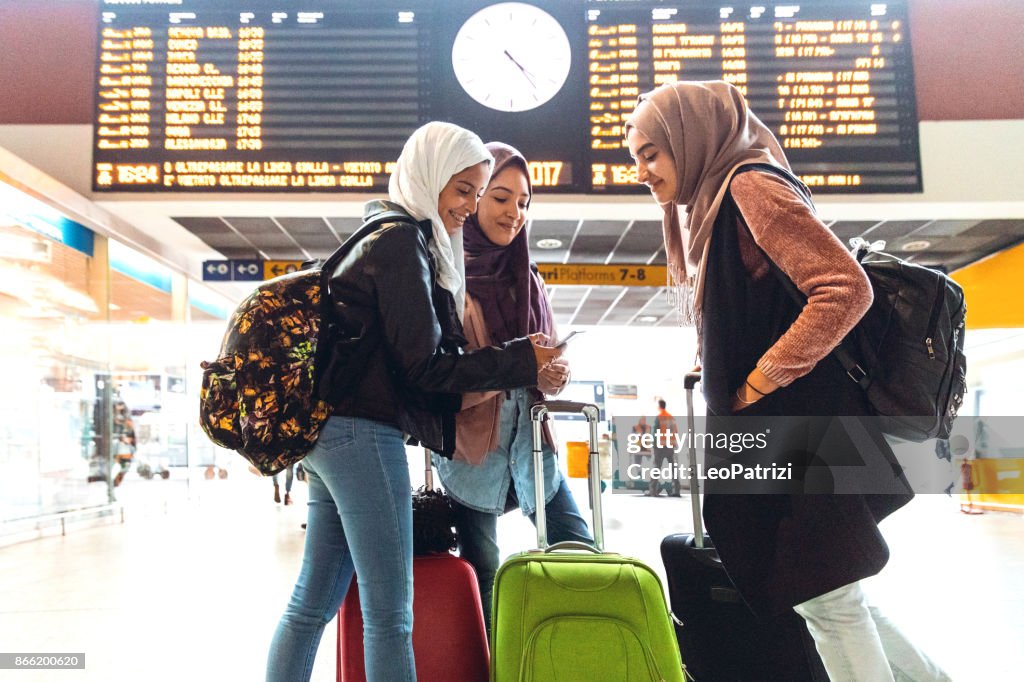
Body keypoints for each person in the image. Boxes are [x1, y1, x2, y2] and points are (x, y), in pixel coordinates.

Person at [625, 81, 950, 681]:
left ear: (691, 137)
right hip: (794, 432)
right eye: (635, 157)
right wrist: (728, 365)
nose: (641, 170)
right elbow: (763, 306)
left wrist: (759, 379)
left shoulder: (749, 186)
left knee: (829, 600)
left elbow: (845, 288)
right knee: (831, 593)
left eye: (651, 152)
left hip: (803, 432)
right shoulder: (719, 200)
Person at [266, 123, 563, 682]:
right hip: (361, 435)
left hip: (329, 434)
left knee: (313, 602)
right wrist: (523, 360)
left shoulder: (382, 233)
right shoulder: (402, 242)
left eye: (477, 194)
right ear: (430, 177)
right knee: (388, 615)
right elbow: (426, 368)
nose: (468, 207)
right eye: (462, 191)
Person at [431, 142, 593, 628]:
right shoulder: (447, 278)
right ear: (476, 197)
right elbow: (441, 376)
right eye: (500, 197)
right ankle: (499, 664)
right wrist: (518, 367)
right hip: (470, 450)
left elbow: (543, 360)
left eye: (523, 202)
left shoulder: (531, 277)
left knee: (579, 548)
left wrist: (552, 373)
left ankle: (574, 653)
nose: (514, 212)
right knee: (485, 571)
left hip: (531, 443)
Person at [647, 399, 680, 497]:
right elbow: (675, 431)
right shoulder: (671, 417)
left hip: (660, 446)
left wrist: (653, 445)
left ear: (659, 406)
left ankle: (653, 491)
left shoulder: (659, 417)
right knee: (673, 468)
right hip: (671, 446)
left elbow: (654, 433)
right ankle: (676, 490)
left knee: (656, 468)